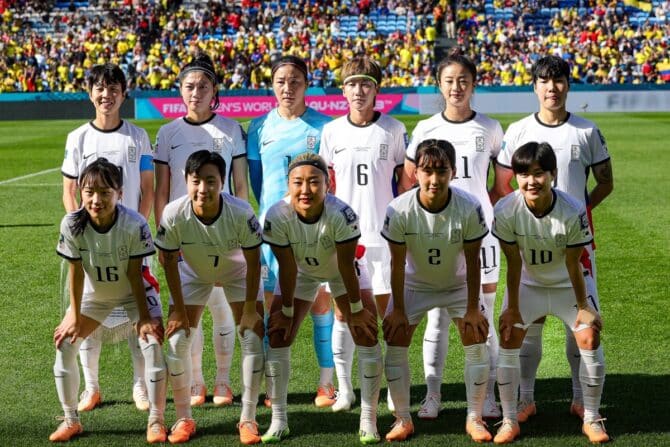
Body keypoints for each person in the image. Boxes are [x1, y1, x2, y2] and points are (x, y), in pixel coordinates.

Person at [491, 55, 613, 423]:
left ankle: (580, 399)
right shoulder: (517, 131)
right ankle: (525, 399)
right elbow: (502, 185)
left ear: (568, 86)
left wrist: (578, 213)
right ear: (534, 87)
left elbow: (606, 181)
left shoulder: (586, 131)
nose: (552, 88)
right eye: (544, 81)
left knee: (580, 321)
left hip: (574, 241)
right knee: (529, 325)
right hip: (528, 240)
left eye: (558, 80)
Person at [401, 50, 504, 420]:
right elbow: (411, 181)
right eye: (449, 80)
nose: (456, 87)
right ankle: (433, 395)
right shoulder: (427, 129)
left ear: (473, 84)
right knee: (438, 318)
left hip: (481, 237)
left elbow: (502, 186)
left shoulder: (490, 128)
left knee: (483, 316)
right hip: (434, 237)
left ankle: (487, 396)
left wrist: (478, 215)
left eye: (463, 80)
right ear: (440, 85)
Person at [60, 63, 162, 414]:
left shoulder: (137, 136)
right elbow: (70, 190)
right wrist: (80, 228)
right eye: (100, 88)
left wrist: (137, 231)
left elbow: (147, 190)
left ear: (123, 92)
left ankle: (139, 385)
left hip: (131, 241)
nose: (107, 95)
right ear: (90, 93)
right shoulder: (78, 138)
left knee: (139, 312)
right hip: (92, 245)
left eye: (113, 88)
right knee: (89, 311)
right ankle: (91, 387)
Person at [491, 142, 608, 444]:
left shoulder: (572, 209)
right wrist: (512, 307)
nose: (531, 181)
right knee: (508, 335)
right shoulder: (505, 209)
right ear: (515, 177)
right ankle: (512, 415)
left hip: (568, 284)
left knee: (589, 335)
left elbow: (573, 263)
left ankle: (592, 417)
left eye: (539, 173)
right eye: (523, 174)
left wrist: (584, 306)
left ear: (553, 174)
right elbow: (514, 263)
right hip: (530, 284)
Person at [261, 153, 380, 443]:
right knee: (278, 333)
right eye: (297, 182)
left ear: (328, 185)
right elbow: (287, 268)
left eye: (314, 182)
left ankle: (368, 419)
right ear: (287, 185)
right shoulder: (277, 215)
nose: (305, 189)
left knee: (366, 331)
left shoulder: (342, 214)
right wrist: (287, 311)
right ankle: (278, 420)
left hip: (342, 271)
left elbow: (344, 266)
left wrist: (355, 309)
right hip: (301, 272)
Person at [381, 139, 492, 442]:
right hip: (416, 285)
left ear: (453, 172)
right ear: (415, 172)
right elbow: (397, 264)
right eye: (427, 171)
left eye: (441, 171)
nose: (434, 179)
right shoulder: (399, 209)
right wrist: (400, 310)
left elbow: (473, 262)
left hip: (457, 285)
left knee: (476, 333)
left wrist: (472, 308)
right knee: (395, 334)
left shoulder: (469, 206)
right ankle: (403, 419)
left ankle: (474, 417)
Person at [154, 53, 248, 408]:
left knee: (223, 311)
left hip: (225, 233)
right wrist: (164, 236)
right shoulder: (167, 133)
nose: (196, 92)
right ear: (180, 90)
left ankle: (223, 380)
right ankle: (196, 382)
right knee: (187, 313)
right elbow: (162, 192)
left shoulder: (231, 129)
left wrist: (240, 233)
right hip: (183, 235)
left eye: (203, 86)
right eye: (190, 86)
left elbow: (240, 186)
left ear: (215, 91)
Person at [52, 159, 167, 443]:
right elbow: (76, 272)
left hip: (133, 293)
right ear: (81, 192)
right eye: (90, 191)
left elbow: (134, 273)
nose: (96, 199)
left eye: (105, 192)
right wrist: (75, 316)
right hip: (96, 296)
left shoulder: (134, 223)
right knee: (65, 343)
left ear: (120, 193)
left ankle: (156, 420)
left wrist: (143, 318)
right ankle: (71, 419)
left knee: (152, 344)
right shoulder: (72, 223)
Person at [154, 150, 265, 444]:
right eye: (196, 181)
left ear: (223, 181)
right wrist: (177, 308)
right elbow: (167, 259)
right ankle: (183, 418)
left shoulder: (241, 212)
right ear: (186, 180)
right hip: (193, 272)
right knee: (177, 341)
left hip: (237, 272)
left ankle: (248, 419)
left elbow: (254, 261)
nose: (203, 188)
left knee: (253, 336)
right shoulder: (173, 213)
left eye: (211, 180)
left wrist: (252, 308)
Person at [319, 55, 408, 412]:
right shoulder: (331, 132)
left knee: (387, 316)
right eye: (352, 84)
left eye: (366, 84)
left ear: (376, 90)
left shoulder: (395, 130)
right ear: (343, 90)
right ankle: (345, 389)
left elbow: (404, 186)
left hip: (384, 240)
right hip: (345, 241)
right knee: (343, 314)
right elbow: (327, 186)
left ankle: (390, 388)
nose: (359, 91)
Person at [247, 55, 336, 407]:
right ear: (272, 85)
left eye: (295, 81)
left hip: (315, 230)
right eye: (281, 80)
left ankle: (326, 382)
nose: (288, 87)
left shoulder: (324, 127)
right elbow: (258, 184)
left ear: (306, 84)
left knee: (319, 301)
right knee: (273, 307)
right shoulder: (258, 128)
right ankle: (273, 385)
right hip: (273, 233)